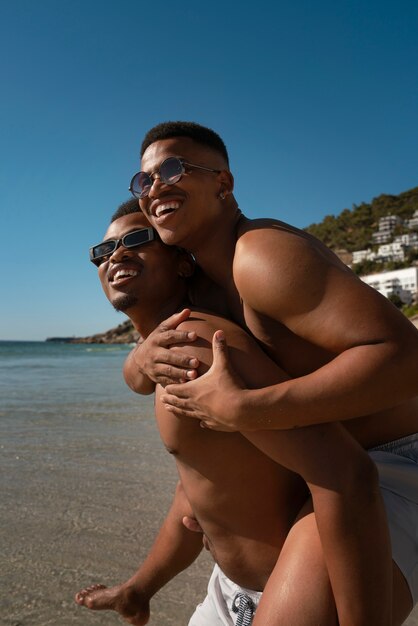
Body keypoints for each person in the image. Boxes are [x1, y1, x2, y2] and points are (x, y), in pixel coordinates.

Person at [122, 121, 418, 624]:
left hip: (393, 463)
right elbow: (141, 374)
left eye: (172, 169)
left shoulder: (262, 256)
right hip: (327, 471)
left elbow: (407, 360)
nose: (155, 188)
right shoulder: (208, 287)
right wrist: (137, 360)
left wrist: (249, 408)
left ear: (223, 183)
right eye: (143, 181)